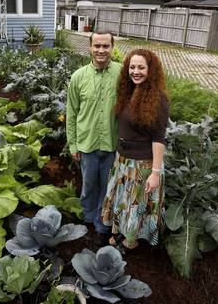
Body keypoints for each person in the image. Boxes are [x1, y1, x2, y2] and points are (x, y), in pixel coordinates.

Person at [101, 48, 169, 251]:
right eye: (132, 67)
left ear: (151, 70)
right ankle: (121, 231)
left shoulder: (158, 99)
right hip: (123, 160)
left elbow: (159, 139)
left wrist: (155, 173)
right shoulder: (128, 92)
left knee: (136, 204)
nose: (136, 72)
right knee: (123, 200)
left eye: (141, 67)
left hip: (143, 164)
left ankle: (132, 240)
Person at [66, 31, 122, 245]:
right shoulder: (78, 77)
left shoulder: (122, 74)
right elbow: (72, 113)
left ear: (112, 47)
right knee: (89, 186)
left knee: (107, 188)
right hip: (86, 143)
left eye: (105, 46)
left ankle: (101, 226)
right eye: (97, 46)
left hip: (112, 143)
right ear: (90, 47)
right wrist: (73, 145)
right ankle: (88, 217)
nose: (101, 50)